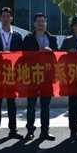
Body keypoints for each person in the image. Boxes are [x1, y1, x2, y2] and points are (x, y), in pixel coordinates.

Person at [21, 12, 58, 141]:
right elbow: (23, 56)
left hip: (47, 77)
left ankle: (45, 131)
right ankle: (30, 131)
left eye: (43, 21)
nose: (41, 23)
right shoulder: (28, 38)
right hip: (33, 76)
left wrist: (51, 51)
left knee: (46, 106)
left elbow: (57, 54)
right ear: (34, 24)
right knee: (31, 106)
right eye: (38, 21)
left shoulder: (52, 38)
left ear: (46, 23)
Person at [0, 7, 24, 140]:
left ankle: (13, 130)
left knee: (12, 103)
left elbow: (21, 54)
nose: (5, 18)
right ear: (0, 18)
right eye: (3, 16)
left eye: (7, 16)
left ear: (11, 18)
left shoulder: (17, 35)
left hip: (12, 73)